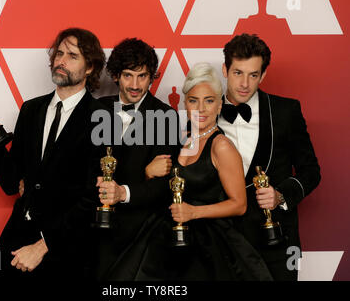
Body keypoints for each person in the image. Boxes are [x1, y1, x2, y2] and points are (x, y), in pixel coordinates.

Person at [0, 27, 106, 281]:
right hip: (18, 234)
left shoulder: (103, 119)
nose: (61, 61)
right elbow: (12, 182)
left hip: (66, 248)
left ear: (90, 67)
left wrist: (44, 245)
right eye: (59, 53)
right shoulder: (31, 109)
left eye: (73, 56)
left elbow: (95, 196)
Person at [130, 62, 273, 280]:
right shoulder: (183, 140)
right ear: (185, 104)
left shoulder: (221, 146)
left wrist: (194, 212)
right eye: (193, 101)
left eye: (209, 101)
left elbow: (239, 205)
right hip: (170, 238)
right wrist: (149, 173)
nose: (200, 109)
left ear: (219, 105)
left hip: (210, 246)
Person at [218, 33, 321, 280]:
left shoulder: (286, 111)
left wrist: (280, 195)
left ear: (263, 75)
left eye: (253, 75)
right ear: (225, 69)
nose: (244, 83)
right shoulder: (204, 113)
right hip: (223, 241)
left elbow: (311, 171)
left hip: (276, 239)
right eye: (238, 73)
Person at [92, 38, 181, 280]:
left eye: (142, 76)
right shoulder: (96, 109)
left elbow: (166, 185)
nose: (134, 84)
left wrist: (124, 192)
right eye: (128, 75)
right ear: (115, 76)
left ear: (152, 76)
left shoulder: (165, 116)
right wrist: (144, 171)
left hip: (141, 234)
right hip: (93, 232)